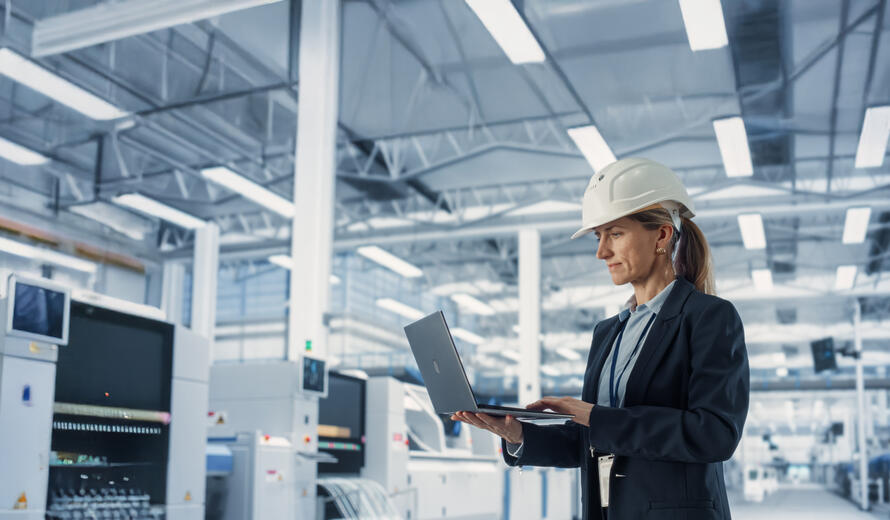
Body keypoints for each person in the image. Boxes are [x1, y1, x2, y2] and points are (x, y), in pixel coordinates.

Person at [452, 158, 749, 519]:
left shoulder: (709, 318)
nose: (601, 251)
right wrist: (517, 435)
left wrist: (595, 416)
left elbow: (714, 433)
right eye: (598, 237)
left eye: (615, 234)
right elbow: (594, 440)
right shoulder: (608, 332)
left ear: (661, 235)